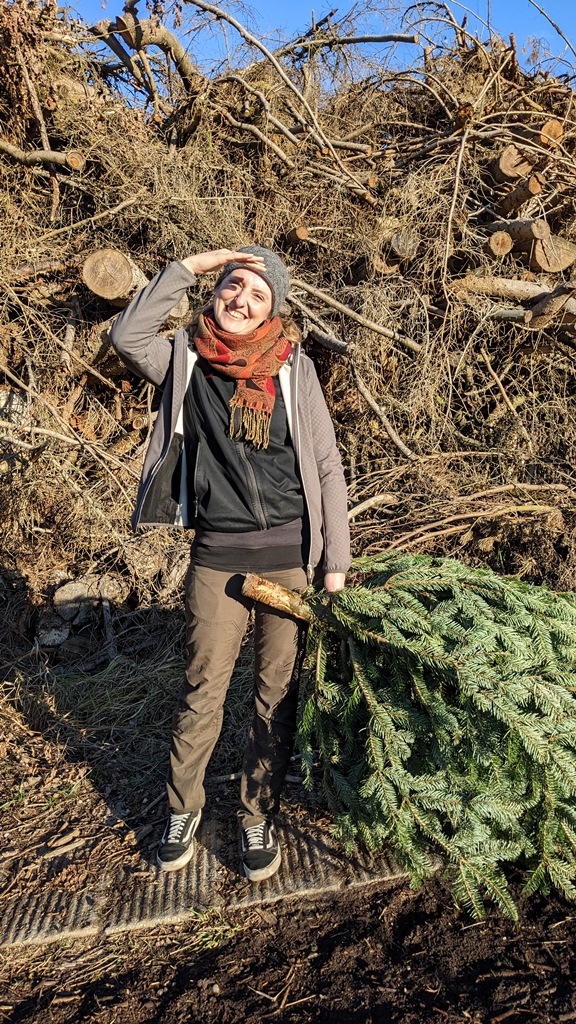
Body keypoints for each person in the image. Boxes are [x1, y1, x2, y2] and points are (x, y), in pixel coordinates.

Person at [109, 246, 350, 882]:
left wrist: (335, 561)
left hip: (291, 559)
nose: (241, 300)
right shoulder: (185, 361)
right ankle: (181, 810)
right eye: (232, 286)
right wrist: (190, 266)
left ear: (274, 309)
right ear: (216, 291)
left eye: (258, 294)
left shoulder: (294, 368)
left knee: (276, 694)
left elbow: (326, 465)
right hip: (217, 557)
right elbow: (127, 336)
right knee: (202, 690)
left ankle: (256, 814)